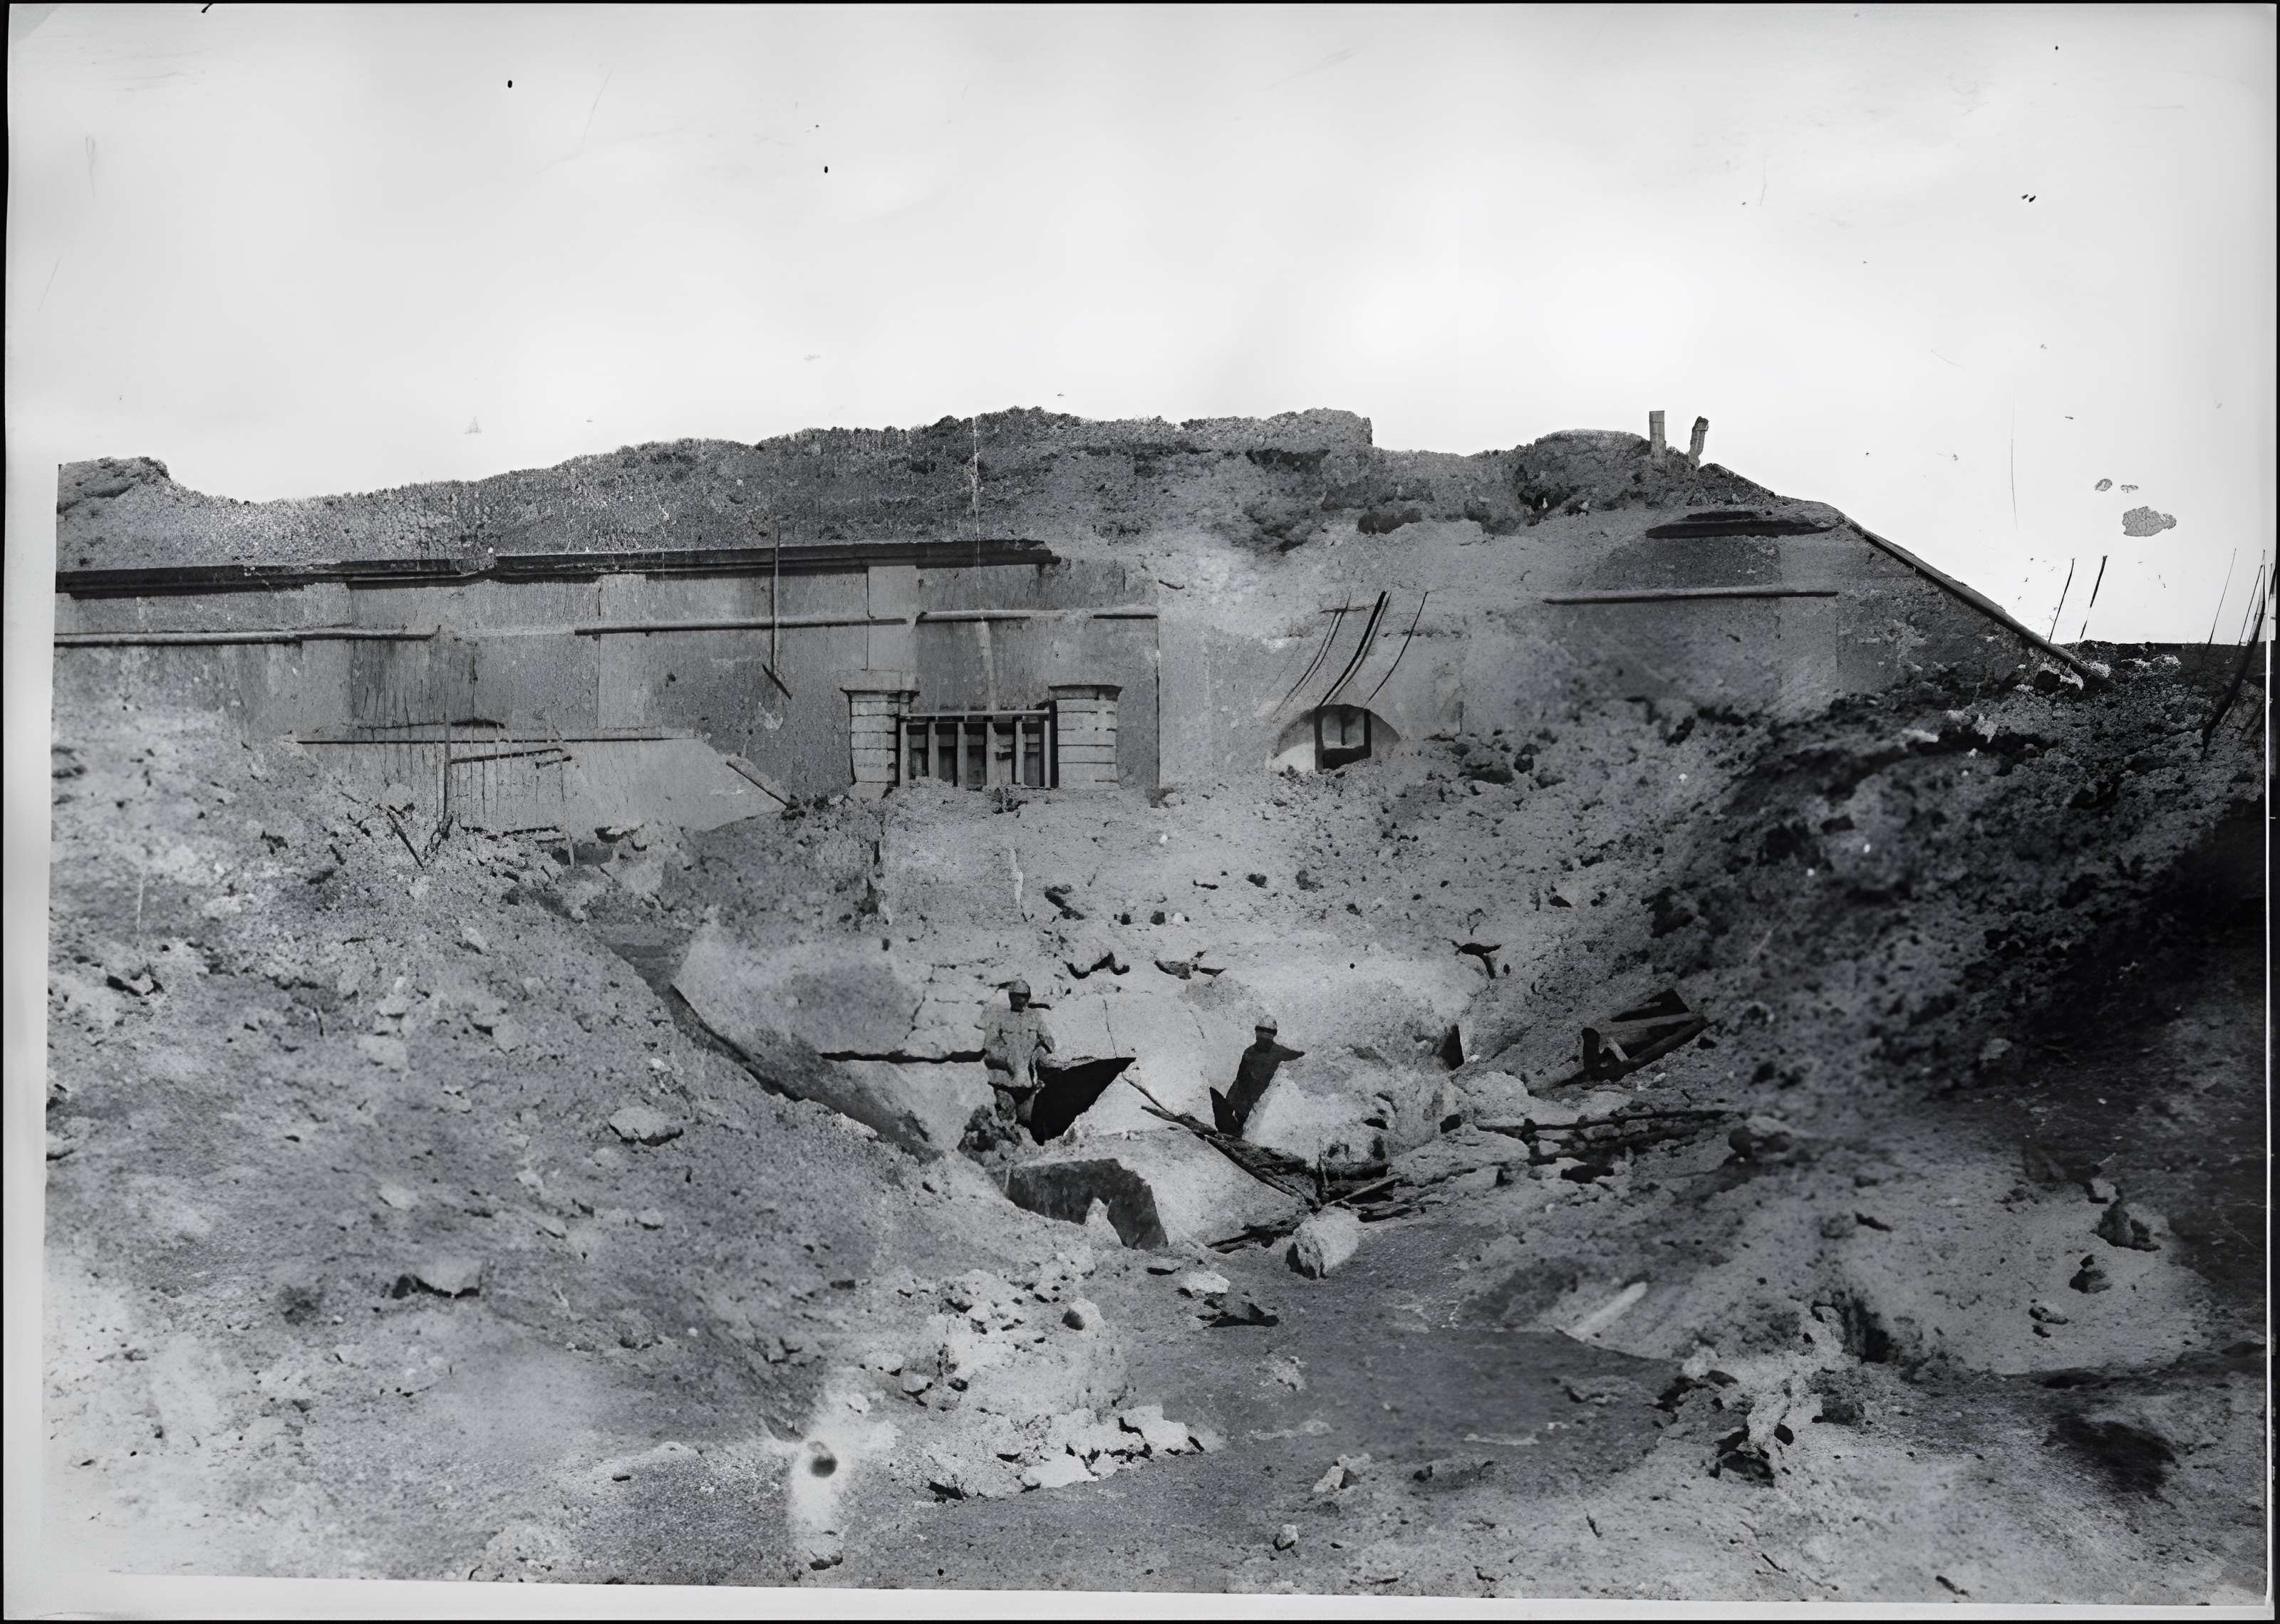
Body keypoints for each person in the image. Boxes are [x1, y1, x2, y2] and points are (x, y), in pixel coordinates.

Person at [980, 978, 1054, 1142]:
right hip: (1006, 1081)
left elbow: (1049, 1042)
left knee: (1031, 1121)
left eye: (1024, 996)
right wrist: (1007, 1057)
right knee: (1005, 1120)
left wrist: (1038, 1053)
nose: (1021, 1000)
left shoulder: (1035, 1017)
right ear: (1010, 997)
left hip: (1028, 1082)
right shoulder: (1000, 1017)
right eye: (1016, 996)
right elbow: (990, 1044)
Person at [1212, 1016, 1305, 1140]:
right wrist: (1230, 1102)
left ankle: (1238, 1135)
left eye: (1268, 1033)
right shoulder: (1249, 1052)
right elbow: (1239, 1079)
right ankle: (1233, 1134)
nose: (1264, 1036)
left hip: (1263, 1100)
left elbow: (1297, 1056)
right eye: (1261, 1032)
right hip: (1245, 1097)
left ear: (1273, 1035)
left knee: (1247, 1123)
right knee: (1234, 1116)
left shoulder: (1279, 1052)